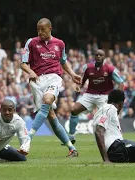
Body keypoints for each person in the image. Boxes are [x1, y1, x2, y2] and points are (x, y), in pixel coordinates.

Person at [20, 18, 81, 157]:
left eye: (43, 29)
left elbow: (63, 62)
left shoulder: (59, 44)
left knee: (48, 100)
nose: (40, 32)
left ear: (50, 28)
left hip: (54, 77)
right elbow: (23, 63)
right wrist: (31, 72)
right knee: (51, 116)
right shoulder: (31, 42)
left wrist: (72, 75)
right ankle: (72, 149)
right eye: (38, 29)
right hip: (36, 80)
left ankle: (27, 140)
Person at [68, 49, 124, 144]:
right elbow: (82, 81)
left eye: (100, 55)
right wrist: (78, 87)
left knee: (111, 117)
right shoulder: (88, 67)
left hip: (104, 96)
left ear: (104, 57)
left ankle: (119, 137)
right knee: (74, 110)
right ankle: (71, 136)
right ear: (94, 56)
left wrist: (117, 98)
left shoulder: (110, 69)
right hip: (89, 95)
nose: (98, 57)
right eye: (97, 55)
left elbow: (121, 83)